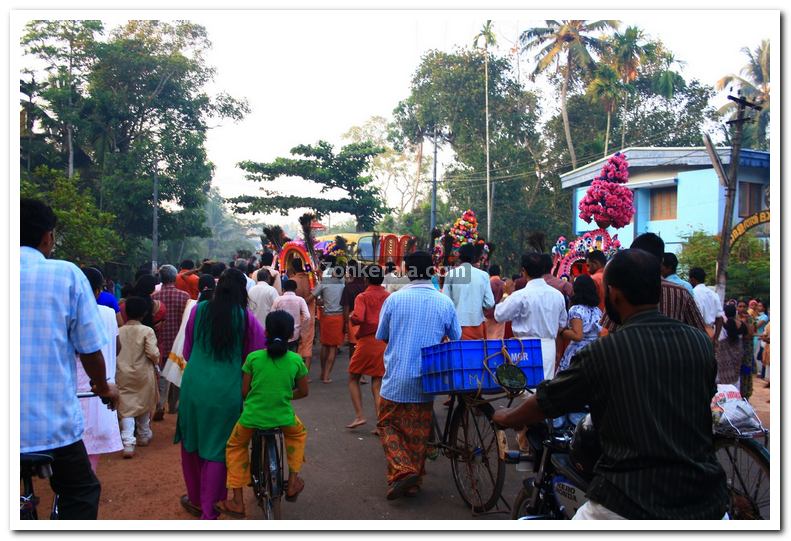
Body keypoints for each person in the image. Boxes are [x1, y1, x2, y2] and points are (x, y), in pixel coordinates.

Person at [492, 249, 729, 520]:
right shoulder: (698, 343)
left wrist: (507, 417)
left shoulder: (605, 352)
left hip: (628, 500)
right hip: (708, 501)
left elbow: (548, 400)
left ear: (614, 294)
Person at [21, 199, 119, 520]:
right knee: (81, 491)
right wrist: (104, 388)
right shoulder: (65, 275)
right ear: (48, 237)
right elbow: (90, 348)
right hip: (52, 427)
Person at [175, 268, 266, 520]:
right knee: (217, 450)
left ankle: (195, 499)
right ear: (242, 291)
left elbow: (187, 351)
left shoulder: (198, 310)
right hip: (227, 392)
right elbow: (256, 356)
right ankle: (209, 512)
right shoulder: (245, 318)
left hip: (194, 387)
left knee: (192, 444)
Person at [375, 251, 462, 500]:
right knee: (418, 431)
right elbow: (455, 337)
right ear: (433, 271)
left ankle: (403, 471)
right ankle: (413, 481)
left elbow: (382, 335)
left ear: (407, 272)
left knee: (387, 424)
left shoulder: (394, 300)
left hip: (397, 375)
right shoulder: (444, 302)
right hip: (428, 378)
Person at [215, 310, 309, 518]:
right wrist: (283, 396)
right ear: (290, 335)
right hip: (284, 418)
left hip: (252, 419)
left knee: (235, 446)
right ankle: (292, 482)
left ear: (266, 331)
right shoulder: (295, 360)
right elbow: (303, 391)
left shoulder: (253, 358)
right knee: (298, 434)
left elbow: (245, 392)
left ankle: (238, 501)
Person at [602, 233, 707, 334]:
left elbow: (607, 330)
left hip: (629, 349)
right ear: (662, 261)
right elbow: (700, 331)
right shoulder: (681, 293)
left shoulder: (621, 289)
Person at [76, 267, 123, 473]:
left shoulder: (69, 312)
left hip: (76, 385)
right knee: (91, 447)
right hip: (101, 385)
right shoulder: (108, 313)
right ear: (97, 291)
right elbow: (117, 346)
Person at [494, 252, 567, 381]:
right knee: (544, 386)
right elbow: (562, 323)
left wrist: (505, 295)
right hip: (548, 347)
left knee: (526, 388)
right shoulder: (557, 295)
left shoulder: (520, 295)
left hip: (525, 348)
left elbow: (499, 315)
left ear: (523, 271)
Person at [346, 265, 390, 431]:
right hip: (384, 342)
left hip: (367, 341)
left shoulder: (362, 297)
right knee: (377, 382)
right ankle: (381, 423)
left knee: (353, 377)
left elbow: (359, 317)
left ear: (366, 279)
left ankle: (360, 415)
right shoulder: (388, 296)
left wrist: (352, 318)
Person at [116, 296, 160, 458]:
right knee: (144, 402)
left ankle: (128, 442)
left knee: (126, 407)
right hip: (143, 373)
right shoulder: (147, 331)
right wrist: (157, 360)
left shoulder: (118, 331)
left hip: (122, 372)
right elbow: (153, 353)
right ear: (144, 314)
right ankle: (143, 434)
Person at [151, 264, 190, 421]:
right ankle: (173, 405)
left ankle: (159, 403)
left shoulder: (154, 297)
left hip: (159, 340)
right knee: (176, 371)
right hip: (177, 341)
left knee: (159, 373)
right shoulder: (184, 296)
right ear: (175, 278)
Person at [442, 243, 494, 340]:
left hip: (456, 327)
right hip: (477, 325)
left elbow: (445, 303)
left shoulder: (450, 274)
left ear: (459, 257)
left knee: (458, 354)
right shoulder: (483, 275)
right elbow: (489, 303)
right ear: (474, 257)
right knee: (477, 353)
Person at [308, 260, 346, 383]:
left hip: (326, 317)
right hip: (338, 317)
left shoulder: (324, 283)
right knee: (333, 348)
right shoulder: (343, 284)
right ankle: (326, 375)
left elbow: (311, 297)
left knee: (325, 345)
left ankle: (322, 372)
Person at [557, 274, 602, 373]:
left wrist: (561, 331)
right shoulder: (597, 310)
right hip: (595, 350)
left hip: (579, 352)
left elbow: (577, 335)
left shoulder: (576, 310)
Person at [291, 258, 316, 373]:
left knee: (296, 345)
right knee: (307, 345)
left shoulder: (292, 281)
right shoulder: (310, 280)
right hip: (309, 316)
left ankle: (298, 373)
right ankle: (305, 374)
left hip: (295, 317)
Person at [271, 279, 311, 352]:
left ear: (284, 289)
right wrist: (302, 328)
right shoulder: (300, 300)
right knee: (293, 354)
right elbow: (307, 316)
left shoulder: (278, 300)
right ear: (295, 289)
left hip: (280, 332)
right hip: (295, 332)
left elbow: (272, 315)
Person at [688, 267, 724, 342]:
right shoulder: (714, 294)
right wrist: (716, 339)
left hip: (697, 334)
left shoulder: (692, 293)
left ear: (692, 279)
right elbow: (720, 318)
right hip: (711, 333)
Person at [715, 304, 747, 387]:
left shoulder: (724, 325)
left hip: (725, 355)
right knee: (736, 375)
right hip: (738, 352)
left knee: (724, 375)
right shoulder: (741, 323)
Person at [341, 260, 367, 358]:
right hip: (365, 318)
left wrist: (345, 324)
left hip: (353, 319)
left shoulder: (348, 287)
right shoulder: (366, 287)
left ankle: (353, 369)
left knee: (353, 346)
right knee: (364, 345)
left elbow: (346, 307)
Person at [735, 299, 757, 399]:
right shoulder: (734, 318)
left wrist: (744, 323)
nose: (742, 308)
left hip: (746, 349)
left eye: (744, 306)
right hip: (735, 349)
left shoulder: (750, 318)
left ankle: (745, 394)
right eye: (740, 306)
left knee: (746, 371)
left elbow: (750, 334)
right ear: (737, 307)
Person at [484, 264, 506, 340]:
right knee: (499, 339)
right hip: (500, 316)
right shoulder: (504, 285)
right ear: (499, 273)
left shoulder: (487, 284)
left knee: (488, 339)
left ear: (489, 272)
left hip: (487, 316)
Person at [753, 300, 769, 379]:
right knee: (754, 354)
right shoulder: (756, 316)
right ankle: (757, 370)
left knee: (758, 355)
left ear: (764, 308)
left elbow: (757, 326)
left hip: (760, 337)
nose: (758, 307)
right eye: (758, 305)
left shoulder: (765, 317)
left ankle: (760, 371)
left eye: (760, 306)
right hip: (754, 337)